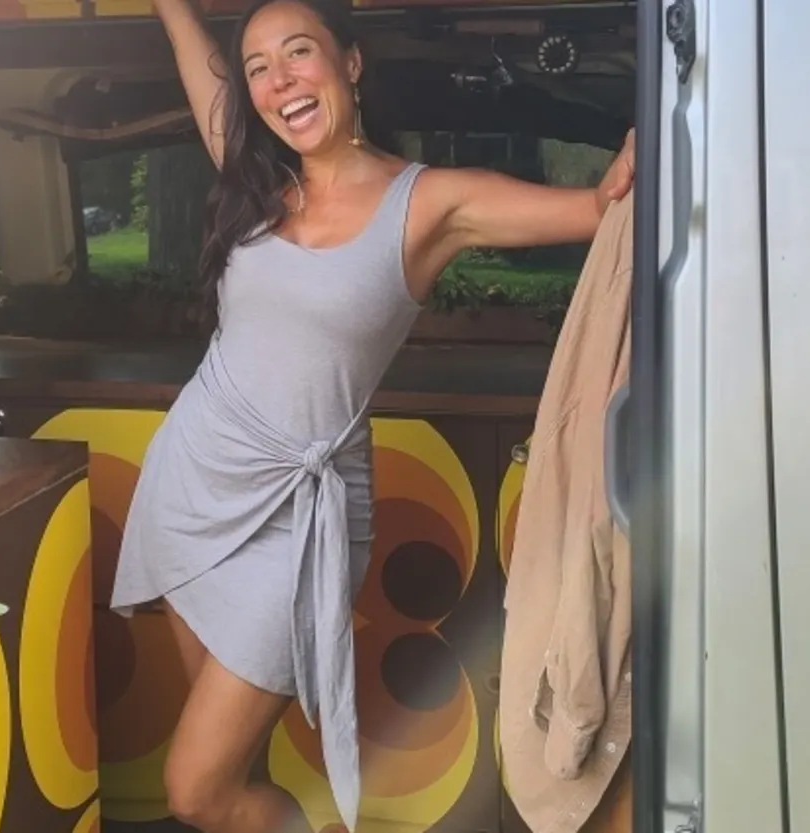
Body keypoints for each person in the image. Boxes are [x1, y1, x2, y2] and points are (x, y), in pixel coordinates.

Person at [109, 1, 637, 831]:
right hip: (192, 485)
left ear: (350, 63)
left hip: (301, 520)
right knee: (229, 770)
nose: (280, 81)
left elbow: (601, 208)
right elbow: (189, 43)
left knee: (196, 789)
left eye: (299, 52)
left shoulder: (426, 203)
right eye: (257, 69)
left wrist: (655, 144)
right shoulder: (254, 180)